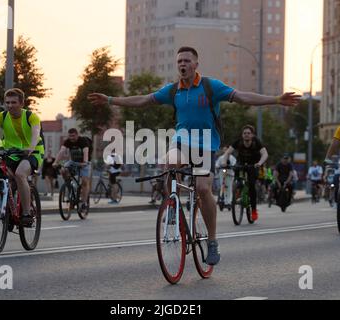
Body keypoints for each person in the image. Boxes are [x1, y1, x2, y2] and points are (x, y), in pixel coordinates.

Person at [88, 46, 300, 265]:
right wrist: (111, 100)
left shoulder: (211, 86)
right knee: (169, 162)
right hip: (182, 141)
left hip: (207, 144)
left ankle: (212, 241)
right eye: (179, 61)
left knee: (202, 188)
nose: (183, 64)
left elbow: (242, 97)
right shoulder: (173, 91)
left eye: (187, 61)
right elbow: (144, 100)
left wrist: (275, 99)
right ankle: (173, 205)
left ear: (196, 64)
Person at [0, 88, 45, 225]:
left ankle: (26, 213)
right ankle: (10, 207)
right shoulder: (1, 116)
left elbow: (36, 133)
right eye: (7, 103)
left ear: (22, 103)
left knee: (20, 174)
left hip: (32, 152)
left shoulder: (31, 117)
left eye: (13, 102)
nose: (10, 105)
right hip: (11, 152)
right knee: (5, 176)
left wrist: (31, 147)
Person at [222, 125, 268, 221]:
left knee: (251, 185)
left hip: (253, 165)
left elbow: (265, 154)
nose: (246, 135)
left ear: (252, 135)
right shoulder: (238, 142)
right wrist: (224, 161)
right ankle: (237, 192)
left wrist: (259, 163)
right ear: (242, 135)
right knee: (237, 178)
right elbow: (227, 152)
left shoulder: (256, 142)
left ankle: (254, 210)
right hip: (241, 163)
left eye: (248, 133)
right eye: (244, 133)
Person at [53, 128, 92, 211]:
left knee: (85, 181)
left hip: (84, 162)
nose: (71, 138)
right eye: (70, 136)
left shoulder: (83, 141)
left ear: (77, 135)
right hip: (73, 161)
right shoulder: (68, 141)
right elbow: (62, 151)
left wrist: (84, 162)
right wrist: (56, 162)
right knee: (63, 170)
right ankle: (69, 185)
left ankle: (84, 203)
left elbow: (86, 152)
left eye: (73, 136)